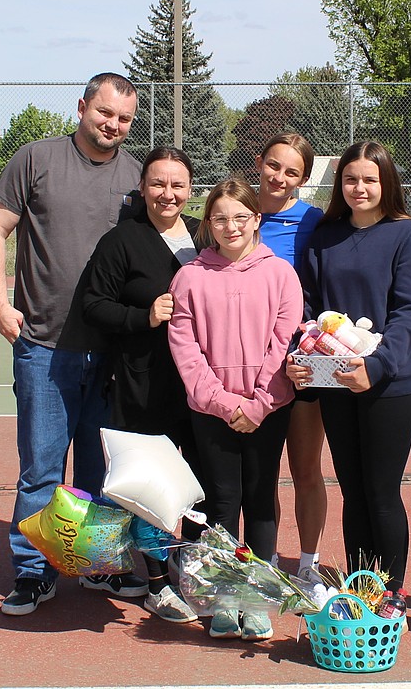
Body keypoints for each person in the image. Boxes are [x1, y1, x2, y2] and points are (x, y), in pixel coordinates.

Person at [0, 72, 148, 616]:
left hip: (111, 352)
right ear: (82, 106)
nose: (113, 125)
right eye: (104, 113)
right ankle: (33, 572)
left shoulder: (137, 176)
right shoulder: (36, 159)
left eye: (124, 118)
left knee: (101, 471)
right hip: (45, 347)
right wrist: (0, 304)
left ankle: (97, 563)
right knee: (42, 469)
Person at [286, 141, 411, 596]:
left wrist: (377, 365)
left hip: (390, 384)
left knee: (382, 494)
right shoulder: (326, 235)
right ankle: (360, 587)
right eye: (351, 179)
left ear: (387, 183)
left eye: (370, 179)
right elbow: (308, 303)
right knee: (352, 490)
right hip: (336, 383)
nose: (360, 188)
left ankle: (391, 596)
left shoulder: (410, 236)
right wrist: (304, 352)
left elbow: (410, 315)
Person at [168, 178, 303, 641]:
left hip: (268, 410)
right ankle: (225, 599)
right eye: (221, 218)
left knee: (261, 500)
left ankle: (258, 601)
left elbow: (284, 344)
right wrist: (226, 405)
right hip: (212, 414)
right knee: (222, 502)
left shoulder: (281, 274)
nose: (231, 226)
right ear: (209, 224)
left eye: (241, 217)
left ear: (256, 220)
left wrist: (260, 403)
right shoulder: (190, 276)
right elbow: (186, 350)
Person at [80, 146, 201, 624]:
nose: (167, 194)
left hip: (198, 385)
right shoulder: (121, 241)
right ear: (142, 188)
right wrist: (141, 316)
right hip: (141, 384)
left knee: (195, 485)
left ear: (190, 189)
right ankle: (155, 582)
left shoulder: (203, 235)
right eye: (157, 183)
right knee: (150, 487)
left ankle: (188, 570)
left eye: (177, 185)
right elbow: (93, 305)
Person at [254, 132, 326, 581]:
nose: (279, 177)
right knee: (260, 474)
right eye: (274, 165)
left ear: (302, 179)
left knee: (304, 468)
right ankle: (266, 561)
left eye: (292, 172)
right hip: (245, 368)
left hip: (299, 365)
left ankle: (309, 564)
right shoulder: (235, 212)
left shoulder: (314, 221)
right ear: (259, 161)